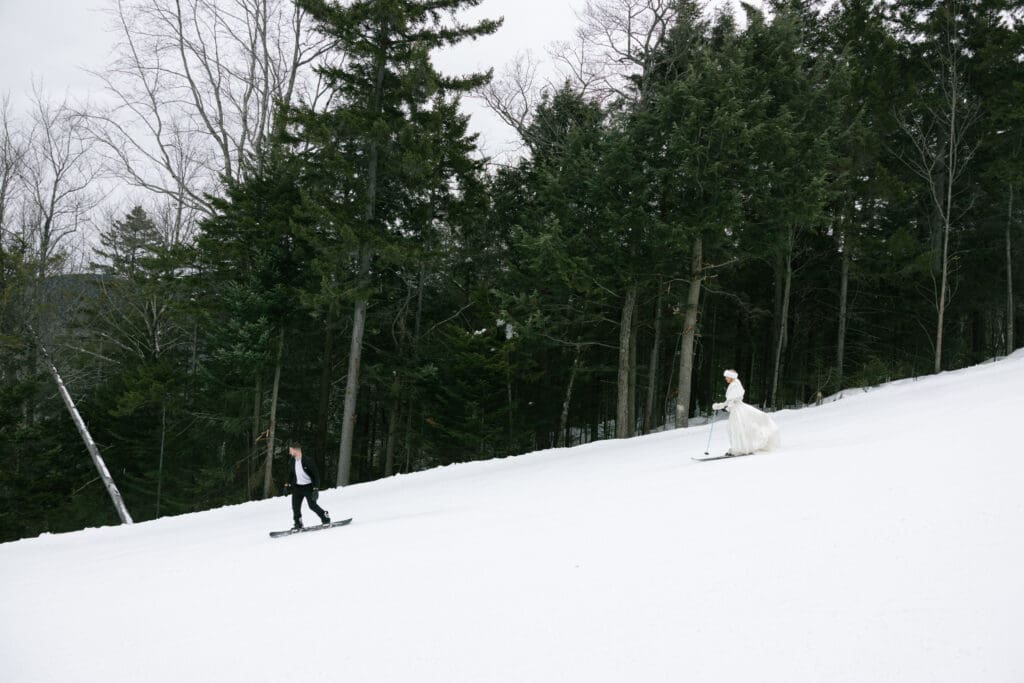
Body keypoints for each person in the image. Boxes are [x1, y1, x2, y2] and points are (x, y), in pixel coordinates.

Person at [711, 369, 781, 456]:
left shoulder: (735, 385)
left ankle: (739, 449)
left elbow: (733, 400)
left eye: (727, 377)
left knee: (737, 429)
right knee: (735, 429)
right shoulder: (734, 384)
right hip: (736, 409)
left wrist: (725, 406)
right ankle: (740, 448)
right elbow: (729, 401)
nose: (725, 378)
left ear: (731, 377)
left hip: (738, 410)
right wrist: (719, 406)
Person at [285, 441, 330, 529]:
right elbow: (290, 474)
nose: (289, 452)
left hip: (308, 487)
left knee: (312, 506)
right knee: (295, 507)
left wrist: (316, 489)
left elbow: (316, 475)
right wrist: (286, 485)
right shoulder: (292, 461)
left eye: (290, 450)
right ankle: (298, 523)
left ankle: (325, 517)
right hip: (297, 488)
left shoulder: (308, 461)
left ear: (296, 450)